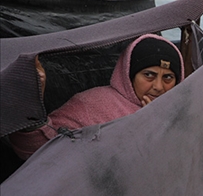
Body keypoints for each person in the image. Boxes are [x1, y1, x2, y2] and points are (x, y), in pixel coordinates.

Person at [9, 34, 184, 160]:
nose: (159, 87)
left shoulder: (184, 111)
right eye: (149, 75)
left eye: (168, 77)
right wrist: (30, 99)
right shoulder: (92, 105)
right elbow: (41, 152)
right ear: (129, 74)